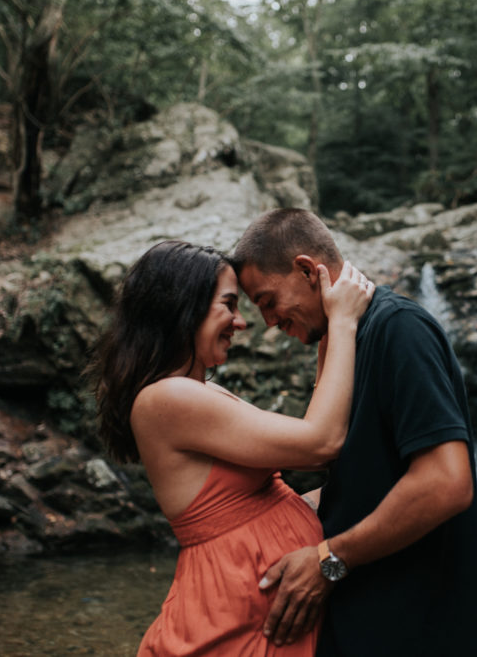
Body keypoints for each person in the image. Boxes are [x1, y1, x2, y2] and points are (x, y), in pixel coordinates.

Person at [232, 209, 477, 656]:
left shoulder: (399, 329)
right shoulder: (344, 342)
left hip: (425, 634)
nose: (269, 322)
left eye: (266, 301)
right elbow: (364, 480)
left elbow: (446, 482)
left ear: (305, 269)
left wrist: (329, 559)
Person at [91, 239, 375, 656]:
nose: (241, 323)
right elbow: (320, 443)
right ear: (182, 308)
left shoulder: (198, 391)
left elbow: (281, 481)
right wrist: (343, 321)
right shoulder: (167, 398)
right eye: (229, 304)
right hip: (228, 619)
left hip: (253, 614)